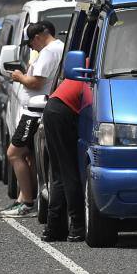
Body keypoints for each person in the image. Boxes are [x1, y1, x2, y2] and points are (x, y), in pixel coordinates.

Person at [1, 20, 64, 217]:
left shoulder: (48, 51)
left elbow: (36, 83)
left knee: (14, 153)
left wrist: (20, 76)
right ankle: (23, 198)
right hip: (40, 109)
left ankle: (27, 202)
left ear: (37, 37)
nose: (32, 47)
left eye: (31, 43)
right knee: (30, 156)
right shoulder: (60, 47)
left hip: (34, 112)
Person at [40, 78, 87, 242]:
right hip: (62, 111)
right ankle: (77, 225)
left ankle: (54, 228)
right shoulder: (96, 67)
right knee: (68, 171)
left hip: (54, 109)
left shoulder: (85, 64)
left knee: (60, 173)